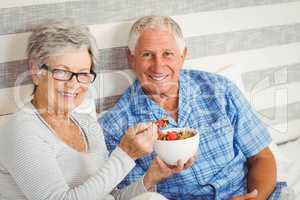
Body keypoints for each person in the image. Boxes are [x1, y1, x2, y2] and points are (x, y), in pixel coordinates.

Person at [99, 16, 287, 200]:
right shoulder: (116, 128)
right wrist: (154, 176)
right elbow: (132, 196)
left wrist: (256, 197)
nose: (158, 67)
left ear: (182, 56)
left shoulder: (220, 90)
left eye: (167, 54)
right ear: (131, 59)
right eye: (147, 55)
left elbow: (262, 158)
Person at [0, 19, 170, 200]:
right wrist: (125, 155)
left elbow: (110, 197)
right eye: (62, 72)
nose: (73, 84)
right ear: (35, 72)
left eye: (82, 74)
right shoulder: (22, 131)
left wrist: (150, 179)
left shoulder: (86, 124)